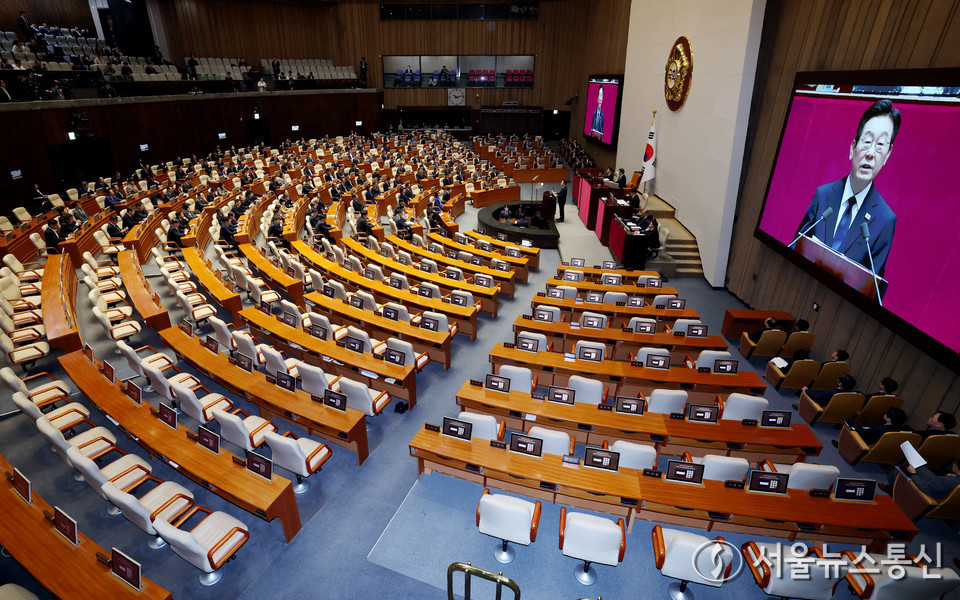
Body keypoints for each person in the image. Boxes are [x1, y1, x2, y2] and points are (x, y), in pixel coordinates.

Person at [793, 99, 900, 285]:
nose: (870, 153)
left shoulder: (884, 220)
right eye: (867, 141)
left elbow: (872, 289)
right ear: (852, 148)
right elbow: (794, 249)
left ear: (887, 156)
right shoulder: (823, 195)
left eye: (880, 145)